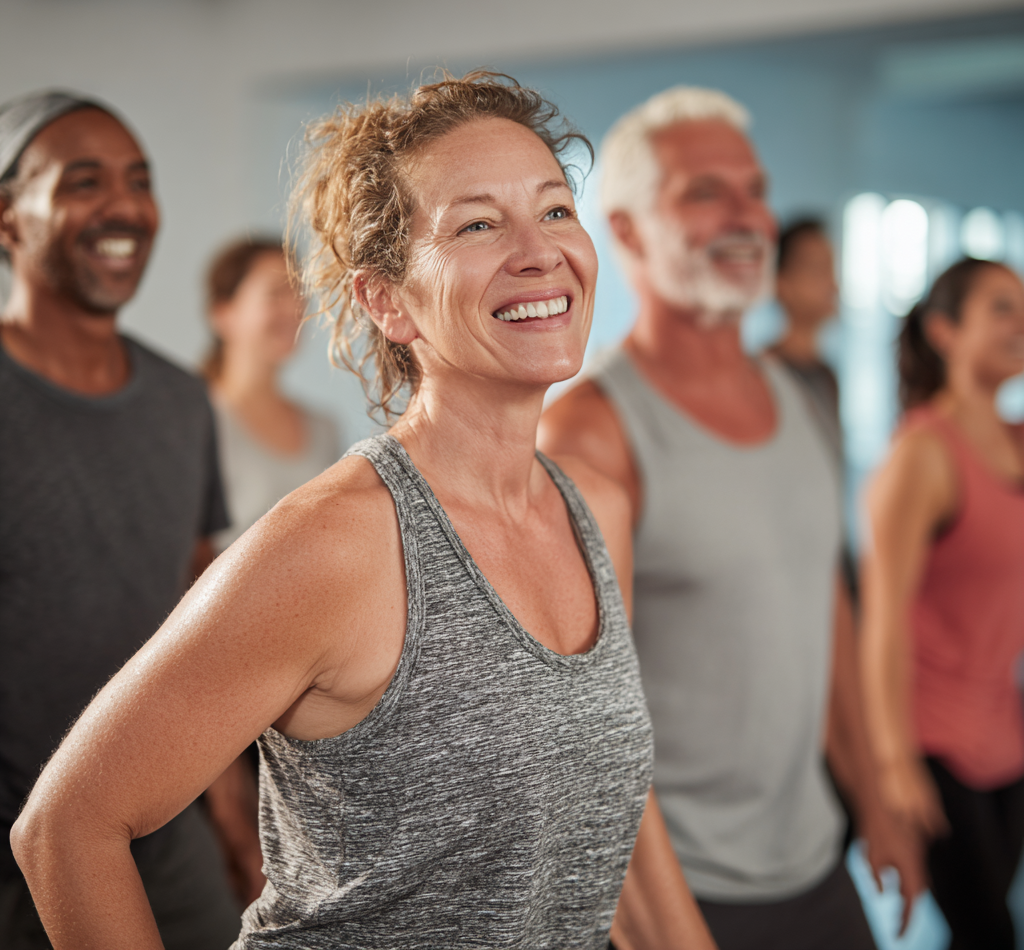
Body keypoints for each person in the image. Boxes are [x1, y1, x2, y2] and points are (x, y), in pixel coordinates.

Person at [11, 72, 717, 950]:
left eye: (556, 210)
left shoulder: (594, 510)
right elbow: (66, 827)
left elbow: (615, 817)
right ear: (386, 300)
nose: (539, 252)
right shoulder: (335, 544)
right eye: (477, 224)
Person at [539, 85, 924, 950]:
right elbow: (583, 727)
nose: (747, 214)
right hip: (685, 891)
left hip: (817, 859)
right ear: (628, 230)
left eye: (754, 189)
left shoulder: (803, 398)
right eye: (704, 192)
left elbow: (824, 606)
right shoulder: (593, 430)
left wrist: (875, 799)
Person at [0, 92, 259, 949]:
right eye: (83, 181)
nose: (123, 206)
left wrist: (230, 808)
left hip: (161, 832)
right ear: (9, 218)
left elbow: (198, 614)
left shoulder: (184, 403)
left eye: (138, 181)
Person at [860, 257, 1024, 950]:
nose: (1020, 324)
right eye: (1000, 308)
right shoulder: (923, 453)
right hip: (933, 740)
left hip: (1003, 731)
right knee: (990, 932)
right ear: (944, 331)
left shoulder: (1018, 444)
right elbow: (883, 616)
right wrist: (895, 765)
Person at [202, 237, 340, 554]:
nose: (294, 308)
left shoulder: (323, 429)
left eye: (298, 293)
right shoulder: (195, 421)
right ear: (224, 313)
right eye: (275, 293)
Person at [768, 217, 858, 600]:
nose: (832, 285)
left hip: (831, 558)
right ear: (780, 282)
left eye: (832, 269)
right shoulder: (763, 375)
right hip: (786, 569)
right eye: (817, 269)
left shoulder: (828, 376)